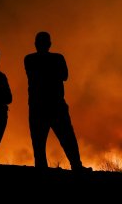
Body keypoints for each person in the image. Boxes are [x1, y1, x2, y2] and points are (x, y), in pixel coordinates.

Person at [24, 31, 92, 172]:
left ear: (36, 44)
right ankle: (76, 166)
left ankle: (41, 168)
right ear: (50, 44)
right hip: (56, 104)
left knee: (38, 141)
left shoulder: (29, 59)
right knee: (67, 138)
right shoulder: (58, 58)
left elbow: (34, 75)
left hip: (37, 106)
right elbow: (64, 76)